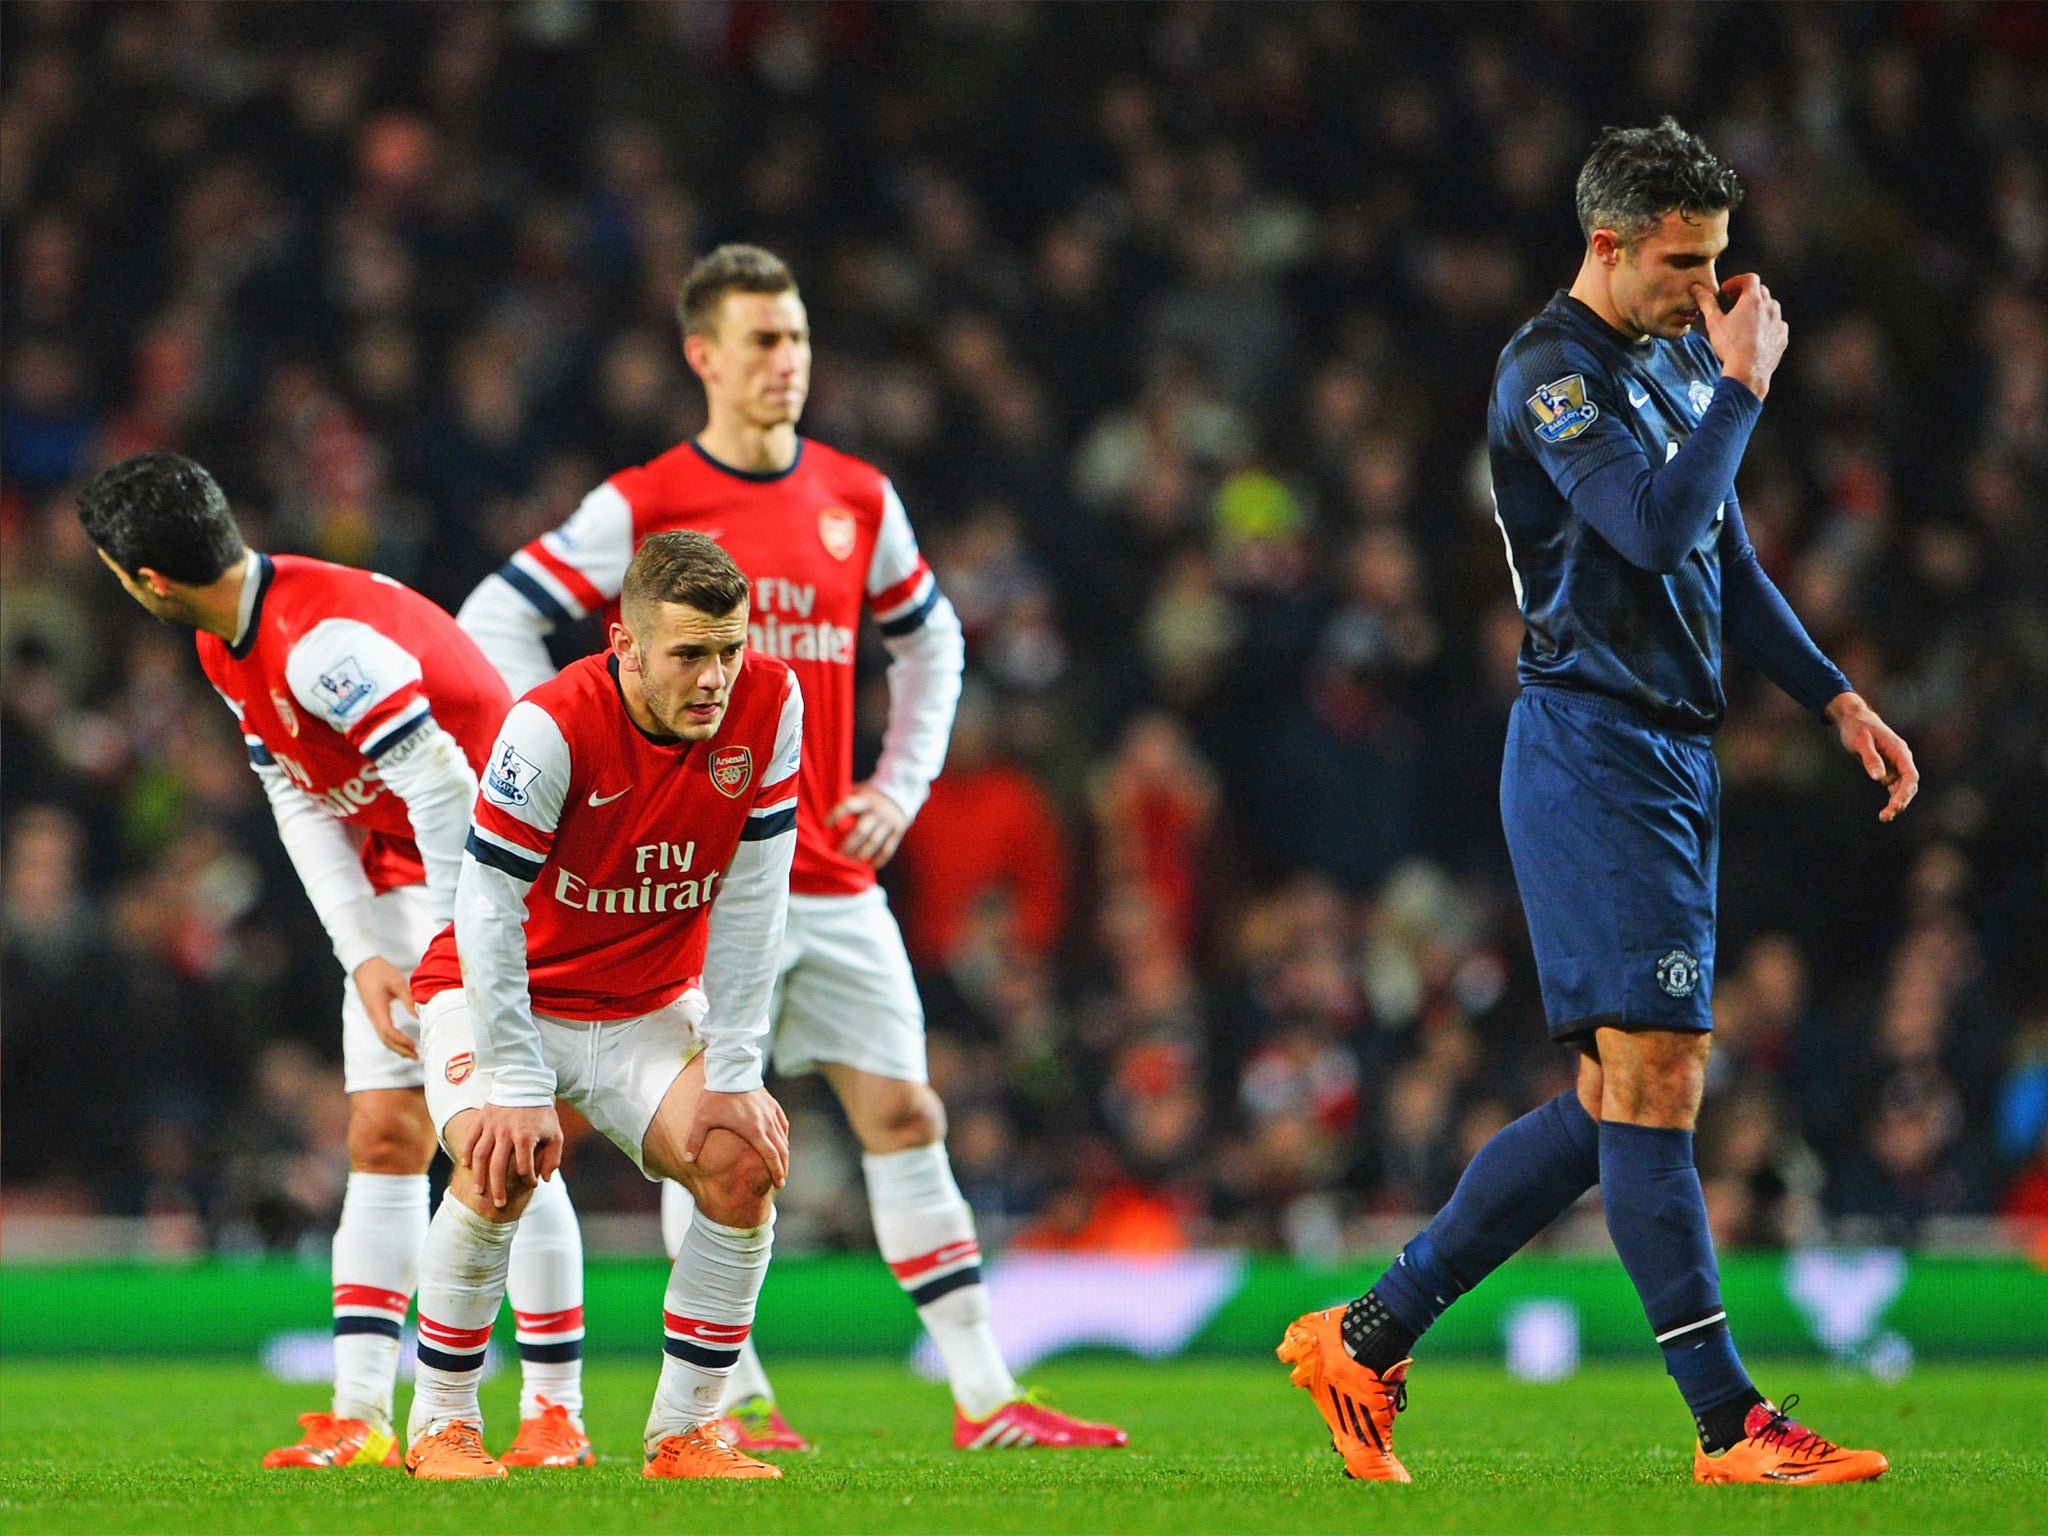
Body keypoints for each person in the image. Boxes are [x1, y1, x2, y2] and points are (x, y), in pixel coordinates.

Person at [1278, 120, 1917, 1486]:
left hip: (1674, 751)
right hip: (1591, 744)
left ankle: (1368, 1334)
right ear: (1608, 243)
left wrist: (1834, 696)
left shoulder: (1681, 354)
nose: (1708, 293)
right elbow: (1648, 528)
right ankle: (1730, 1424)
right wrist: (1743, 390)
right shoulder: (1547, 371)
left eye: (1721, 266)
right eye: (1685, 265)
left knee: (1615, 1095)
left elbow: (1726, 556)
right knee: (1659, 1078)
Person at [457, 244, 1126, 1452]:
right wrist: (573, 779)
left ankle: (986, 1400)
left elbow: (934, 641)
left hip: (817, 865)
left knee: (909, 1114)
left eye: (800, 339)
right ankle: (739, 1403)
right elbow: (494, 617)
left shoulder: (857, 497)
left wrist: (900, 784)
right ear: (700, 355)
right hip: (688, 886)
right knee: (706, 1122)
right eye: (763, 340)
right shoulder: (648, 500)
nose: (788, 363)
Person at [76, 452, 594, 1470]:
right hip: (413, 881)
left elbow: (448, 789)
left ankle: (553, 1412)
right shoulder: (233, 645)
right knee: (385, 1133)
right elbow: (300, 798)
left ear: (150, 583)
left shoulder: (320, 648)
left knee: (502, 1138)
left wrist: (459, 948)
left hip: (505, 878)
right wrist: (361, 952)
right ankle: (358, 1412)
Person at [403, 532, 801, 1480]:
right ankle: (442, 1426)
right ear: (624, 642)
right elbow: (487, 909)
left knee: (746, 1164)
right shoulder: (548, 726)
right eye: (689, 654)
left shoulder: (772, 704)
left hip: (646, 1006)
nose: (715, 677)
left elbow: (755, 901)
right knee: (499, 1162)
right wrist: (511, 1076)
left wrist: (738, 1071)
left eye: (729, 650)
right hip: (505, 993)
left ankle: (687, 1432)